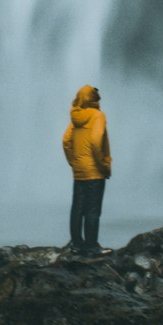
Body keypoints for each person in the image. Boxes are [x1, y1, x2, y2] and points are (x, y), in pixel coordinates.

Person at [62, 84, 112, 256]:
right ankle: (91, 246)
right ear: (93, 99)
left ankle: (76, 244)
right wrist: (103, 164)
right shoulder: (97, 116)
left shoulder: (76, 117)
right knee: (92, 210)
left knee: (77, 208)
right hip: (94, 171)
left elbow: (66, 141)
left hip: (79, 171)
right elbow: (96, 141)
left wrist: (73, 162)